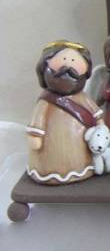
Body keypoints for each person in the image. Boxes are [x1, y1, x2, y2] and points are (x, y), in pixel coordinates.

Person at [26, 40, 102, 184]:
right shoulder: (45, 101)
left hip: (81, 151)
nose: (68, 66)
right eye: (64, 60)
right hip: (50, 153)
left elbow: (95, 112)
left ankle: (82, 167)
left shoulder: (82, 97)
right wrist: (36, 135)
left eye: (73, 61)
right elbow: (38, 119)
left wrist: (100, 123)